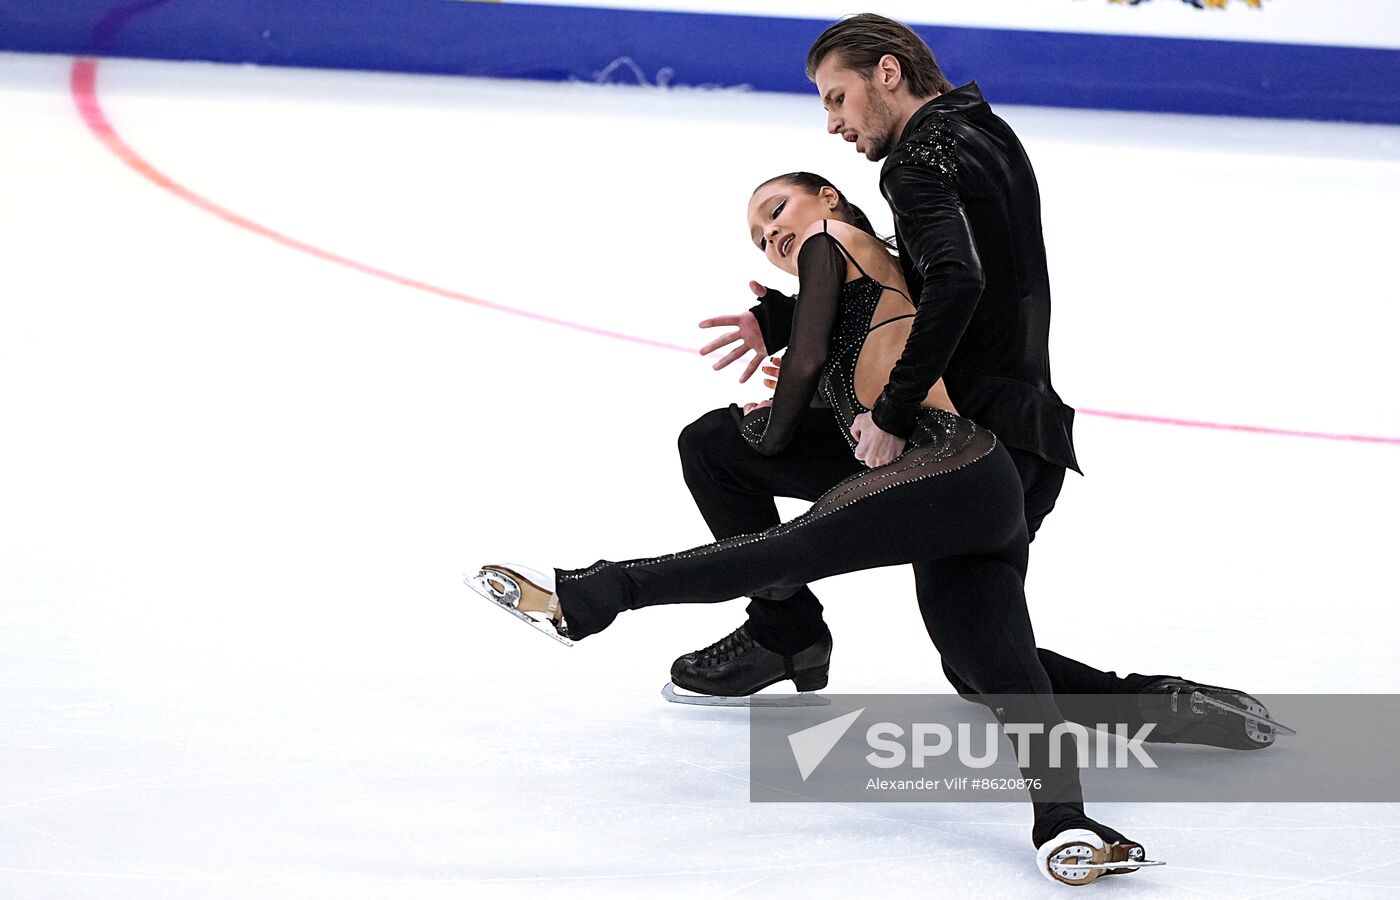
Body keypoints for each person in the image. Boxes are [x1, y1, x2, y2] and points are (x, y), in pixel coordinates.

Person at [470, 173, 1158, 883]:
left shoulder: (831, 240)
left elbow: (803, 359)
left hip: (944, 462)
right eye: (761, 238)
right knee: (996, 668)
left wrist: (773, 435)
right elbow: (825, 334)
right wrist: (781, 332)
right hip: (975, 485)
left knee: (793, 548)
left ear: (828, 197)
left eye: (778, 211)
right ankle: (1068, 821)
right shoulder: (862, 273)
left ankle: (591, 596)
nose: (774, 235)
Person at [673, 14, 1277, 752]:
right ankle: (1169, 706)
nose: (832, 123)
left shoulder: (914, 163)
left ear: (887, 74)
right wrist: (792, 318)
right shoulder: (984, 131)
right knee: (977, 664)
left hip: (965, 437)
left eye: (837, 97)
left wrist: (891, 409)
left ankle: (785, 631)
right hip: (1026, 435)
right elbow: (920, 279)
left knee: (717, 448)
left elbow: (956, 278)